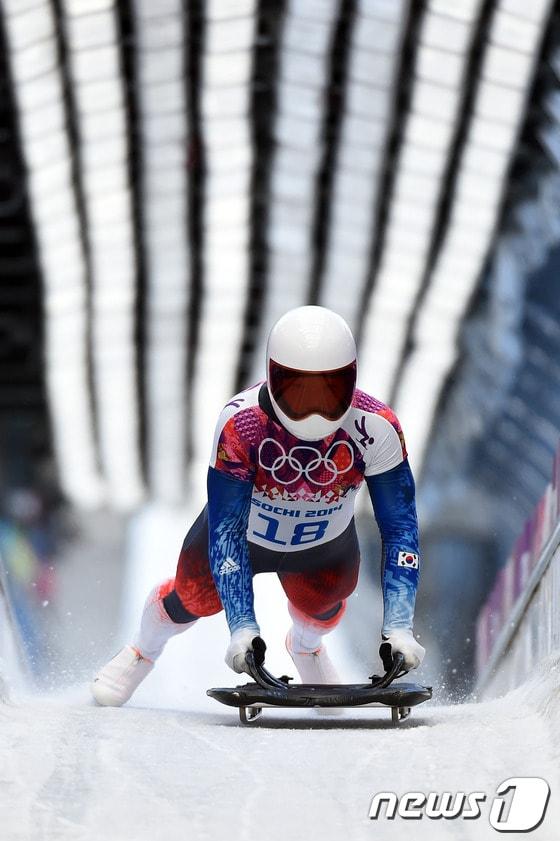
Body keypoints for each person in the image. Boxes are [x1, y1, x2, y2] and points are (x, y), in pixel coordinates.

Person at [92, 306, 425, 706]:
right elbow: (227, 529)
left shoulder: (378, 428)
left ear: (350, 380)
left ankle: (306, 647)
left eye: (328, 390)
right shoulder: (242, 424)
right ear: (272, 376)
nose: (314, 408)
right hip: (244, 539)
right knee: (194, 596)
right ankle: (141, 652)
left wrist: (399, 626)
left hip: (323, 546)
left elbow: (400, 527)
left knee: (328, 597)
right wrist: (241, 625)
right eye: (298, 391)